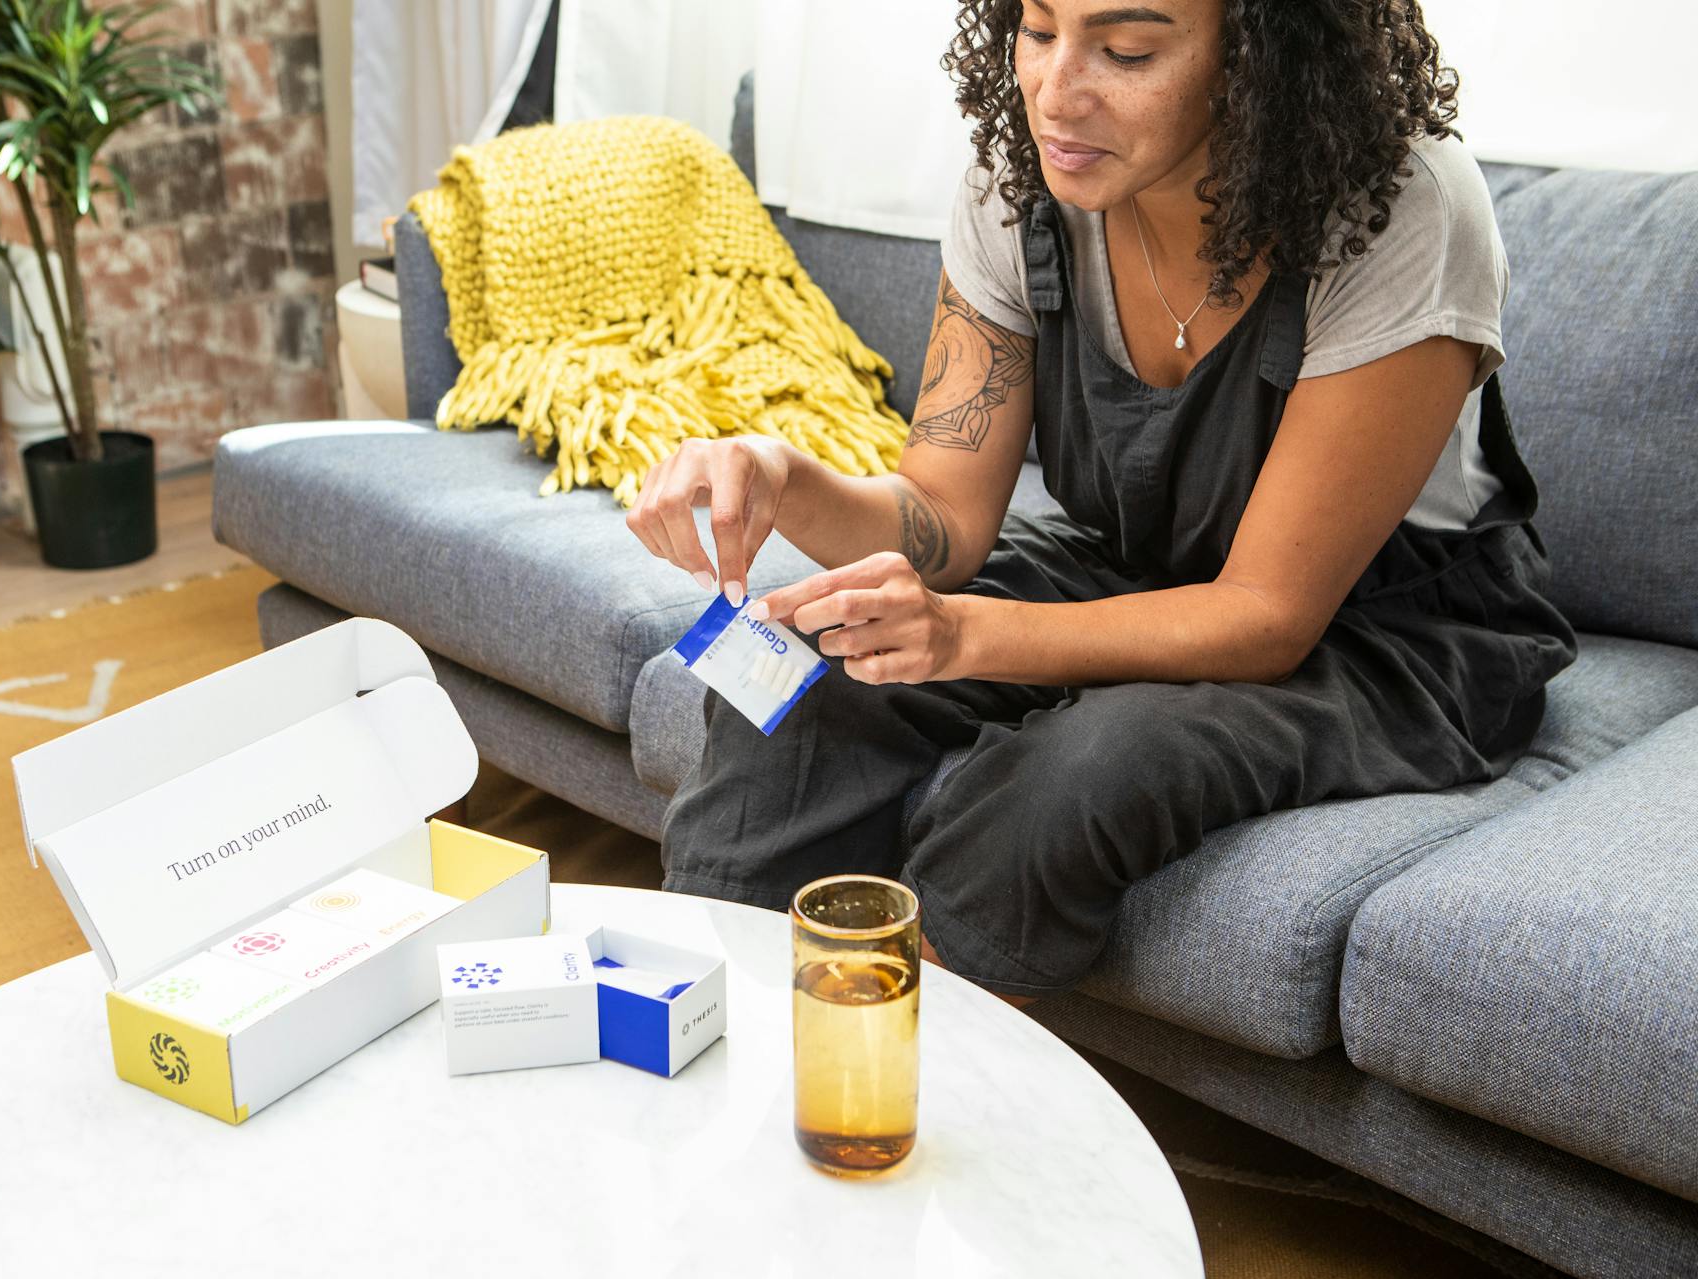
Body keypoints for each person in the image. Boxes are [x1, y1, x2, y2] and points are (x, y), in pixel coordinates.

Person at [626, 0, 1575, 1002]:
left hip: (1382, 631)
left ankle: (898, 1077)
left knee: (1076, 777)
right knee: (807, 674)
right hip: (1142, 562)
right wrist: (783, 478)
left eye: (1125, 51)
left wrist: (957, 636)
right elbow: (942, 523)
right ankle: (722, 1035)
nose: (1053, 92)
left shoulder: (1398, 208)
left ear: (1263, 59)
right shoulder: (1021, 182)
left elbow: (1265, 616)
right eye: (1037, 31)